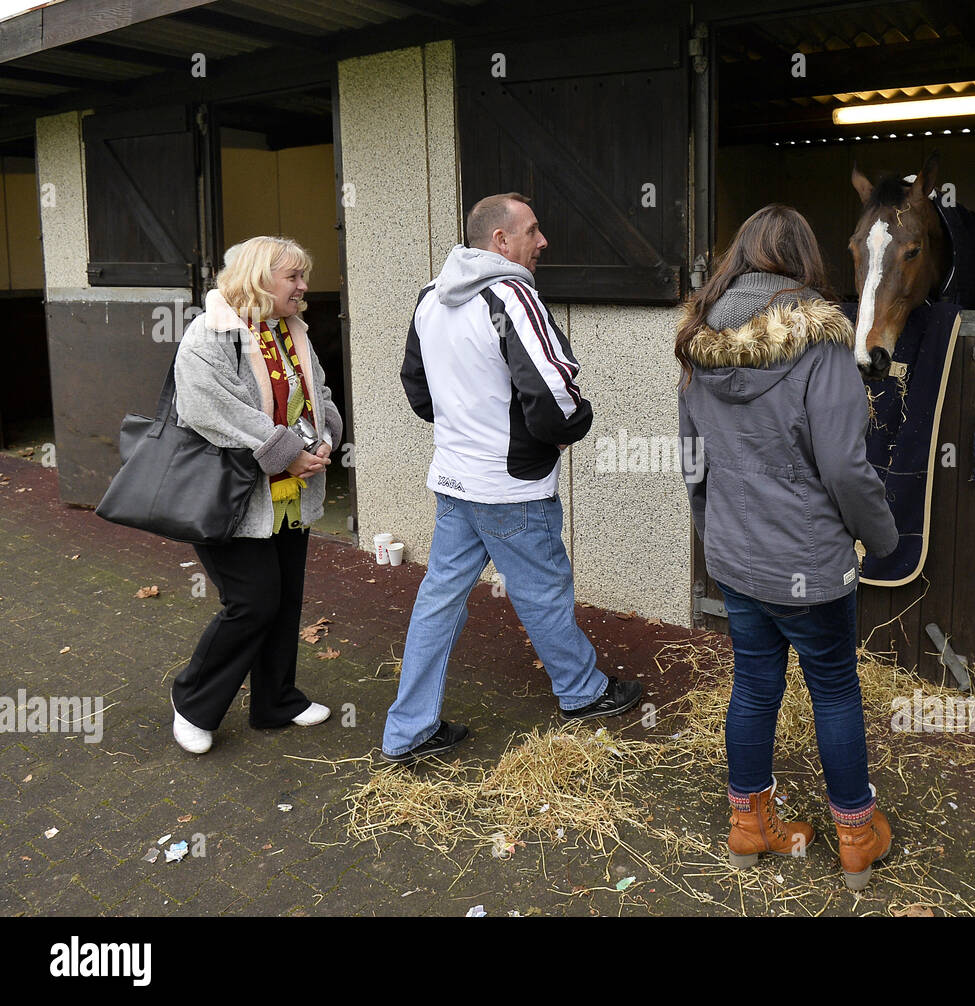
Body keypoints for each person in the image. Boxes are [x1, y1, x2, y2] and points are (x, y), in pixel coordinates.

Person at [675, 205, 900, 890]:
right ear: (805, 260)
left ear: (739, 257)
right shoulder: (822, 341)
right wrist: (883, 536)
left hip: (738, 560)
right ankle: (856, 837)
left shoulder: (697, 341)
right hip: (807, 563)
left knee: (753, 686)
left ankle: (750, 827)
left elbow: (692, 458)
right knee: (833, 689)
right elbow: (843, 464)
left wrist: (712, 532)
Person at [382, 192, 642, 765]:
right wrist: (561, 431)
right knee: (543, 593)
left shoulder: (430, 298)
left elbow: (418, 389)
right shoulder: (512, 295)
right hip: (512, 488)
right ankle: (583, 693)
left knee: (438, 602)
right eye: (533, 229)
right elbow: (553, 397)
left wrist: (468, 429)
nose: (542, 241)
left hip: (454, 482)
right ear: (501, 241)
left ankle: (407, 731)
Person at [169, 236, 344, 755]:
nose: (304, 286)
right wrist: (285, 450)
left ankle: (277, 702)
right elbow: (209, 409)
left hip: (287, 493)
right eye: (293, 277)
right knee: (253, 601)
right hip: (232, 497)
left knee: (286, 598)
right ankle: (194, 702)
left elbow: (320, 395)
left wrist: (324, 436)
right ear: (258, 278)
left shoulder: (290, 330)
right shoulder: (210, 334)